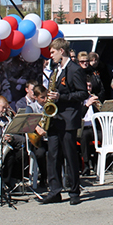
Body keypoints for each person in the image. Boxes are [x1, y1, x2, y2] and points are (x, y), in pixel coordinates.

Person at [40, 38, 88, 206]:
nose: (50, 55)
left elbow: (82, 94)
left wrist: (62, 97)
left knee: (70, 155)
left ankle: (74, 191)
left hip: (68, 119)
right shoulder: (56, 70)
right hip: (55, 119)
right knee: (53, 155)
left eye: (52, 52)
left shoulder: (74, 70)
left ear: (62, 51)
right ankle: (55, 190)